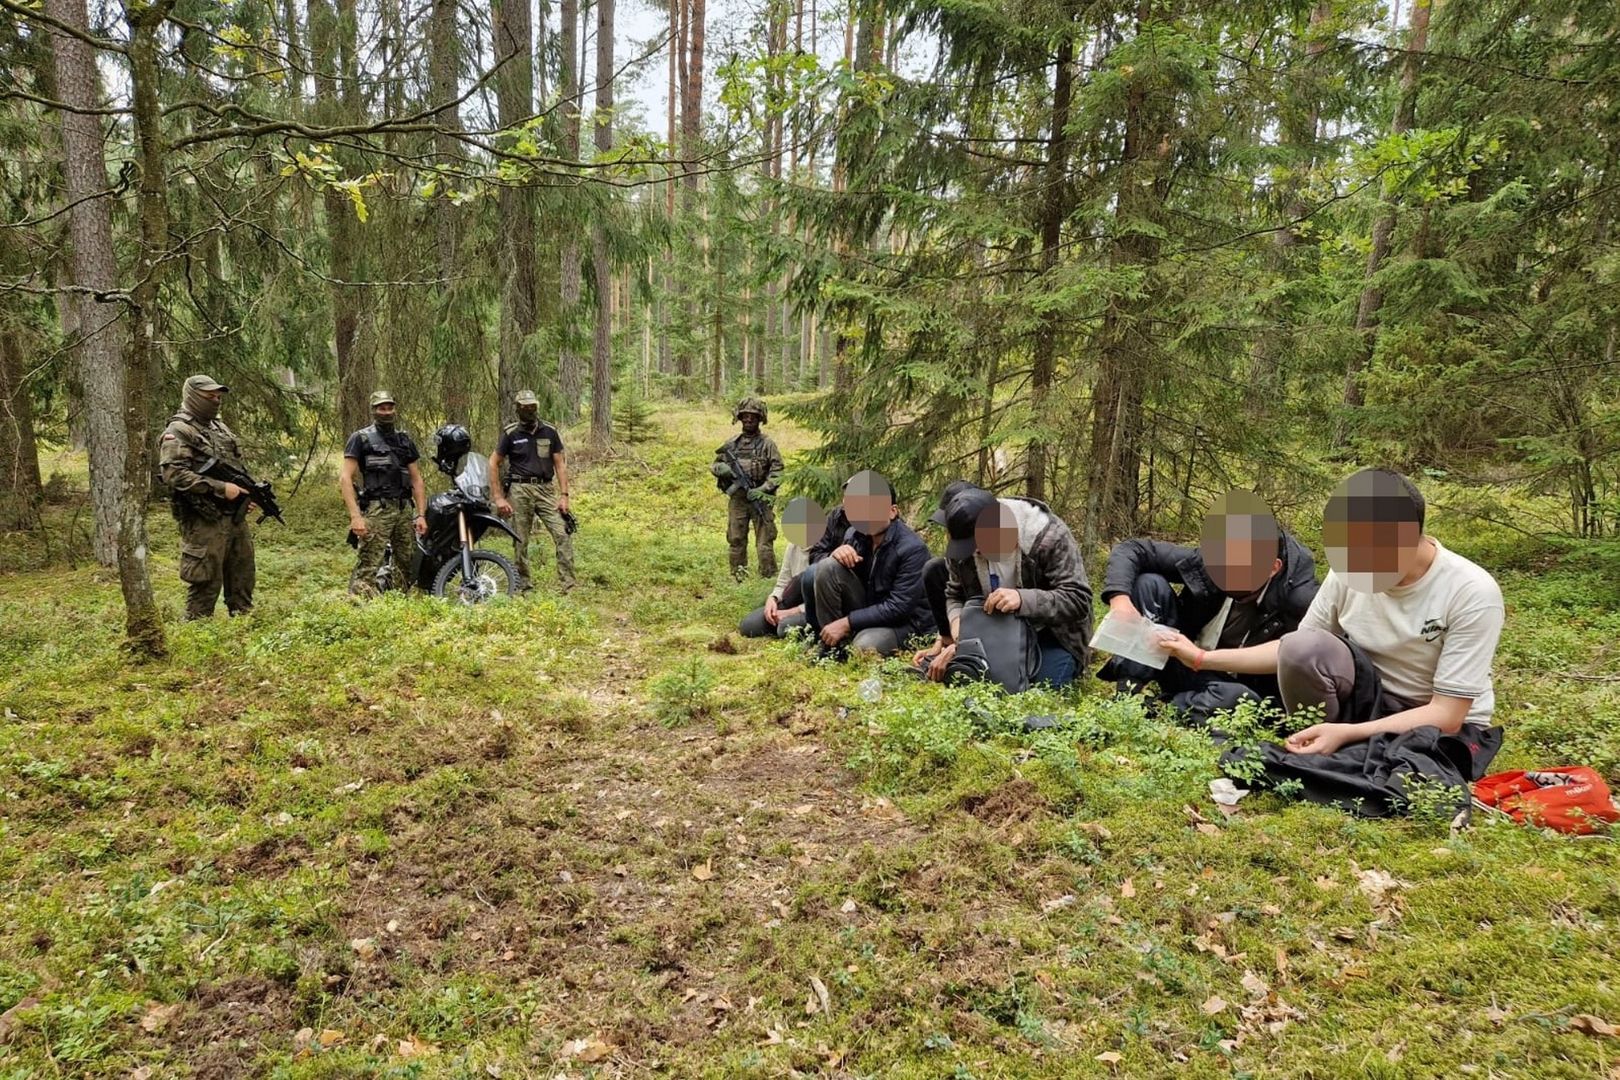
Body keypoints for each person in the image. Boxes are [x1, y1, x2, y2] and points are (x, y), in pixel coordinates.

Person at [1156, 469, 1505, 761]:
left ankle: (1336, 746)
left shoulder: (1471, 591)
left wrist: (1350, 733)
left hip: (1433, 719)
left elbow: (1448, 714)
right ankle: (1319, 739)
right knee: (1305, 647)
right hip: (1366, 698)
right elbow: (1291, 649)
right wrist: (1202, 657)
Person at [1098, 490, 1319, 725]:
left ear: (1273, 568)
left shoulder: (1301, 599)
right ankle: (1127, 695)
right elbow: (1133, 549)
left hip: (1239, 686)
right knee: (1149, 583)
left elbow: (1314, 658)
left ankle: (1165, 709)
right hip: (1182, 658)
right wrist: (1119, 599)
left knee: (1237, 699)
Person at [912, 485, 1093, 688]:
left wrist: (1023, 599)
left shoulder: (1048, 537)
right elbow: (955, 594)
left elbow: (1078, 599)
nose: (976, 552)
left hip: (1051, 634)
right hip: (995, 633)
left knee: (1040, 689)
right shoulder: (963, 546)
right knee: (971, 681)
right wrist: (961, 637)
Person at [158, 375, 257, 620]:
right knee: (205, 584)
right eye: (209, 396)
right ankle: (196, 639)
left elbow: (236, 468)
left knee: (242, 580)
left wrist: (246, 496)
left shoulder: (220, 428)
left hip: (234, 519)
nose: (215, 401)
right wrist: (220, 488)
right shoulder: (179, 430)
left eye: (218, 397)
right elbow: (174, 474)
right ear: (192, 396)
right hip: (203, 520)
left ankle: (243, 636)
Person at [809, 470, 933, 658]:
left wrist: (847, 622)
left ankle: (848, 636)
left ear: (893, 511)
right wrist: (836, 554)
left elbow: (898, 607)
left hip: (905, 622)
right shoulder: (854, 535)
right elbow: (820, 564)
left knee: (864, 646)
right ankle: (833, 647)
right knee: (828, 567)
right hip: (869, 605)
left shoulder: (913, 549)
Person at [339, 390, 427, 597]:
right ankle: (360, 611)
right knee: (369, 563)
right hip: (377, 509)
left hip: (404, 510)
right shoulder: (360, 438)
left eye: (389, 407)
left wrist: (421, 514)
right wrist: (355, 517)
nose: (386, 412)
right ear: (374, 410)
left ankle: (398, 606)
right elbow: (345, 478)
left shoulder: (404, 440)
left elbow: (417, 479)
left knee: (407, 563)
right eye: (381, 408)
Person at [490, 390, 575, 593]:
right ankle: (523, 585)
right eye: (525, 407)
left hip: (546, 489)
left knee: (562, 533)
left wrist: (564, 496)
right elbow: (493, 463)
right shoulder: (510, 433)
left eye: (533, 407)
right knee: (520, 539)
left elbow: (560, 464)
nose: (530, 411)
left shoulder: (550, 432)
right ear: (518, 409)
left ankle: (568, 585)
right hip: (519, 489)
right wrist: (499, 497)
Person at [710, 397, 784, 579]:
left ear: (760, 419)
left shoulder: (768, 444)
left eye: (753, 416)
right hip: (738, 499)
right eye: (745, 416)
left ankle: (767, 578)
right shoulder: (732, 444)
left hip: (761, 500)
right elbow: (714, 465)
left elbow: (778, 472)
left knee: (765, 542)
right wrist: (721, 469)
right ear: (740, 418)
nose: (749, 420)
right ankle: (738, 576)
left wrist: (763, 489)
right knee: (736, 539)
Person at [738, 497, 826, 638]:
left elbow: (823, 598)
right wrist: (772, 599)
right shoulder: (793, 545)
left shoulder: (823, 549)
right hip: (790, 602)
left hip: (813, 609)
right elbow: (783, 582)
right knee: (749, 625)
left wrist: (792, 612)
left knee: (784, 628)